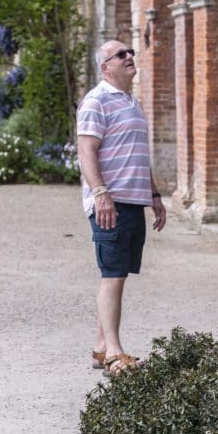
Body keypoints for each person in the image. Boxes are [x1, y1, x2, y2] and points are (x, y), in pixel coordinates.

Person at [77, 40, 167, 377]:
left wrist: (154, 195)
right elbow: (86, 151)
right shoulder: (96, 101)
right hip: (109, 203)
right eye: (121, 55)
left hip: (133, 200)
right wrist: (100, 193)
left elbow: (138, 154)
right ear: (105, 67)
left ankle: (102, 345)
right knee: (111, 275)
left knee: (120, 273)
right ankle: (115, 353)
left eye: (130, 52)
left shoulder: (132, 102)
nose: (129, 57)